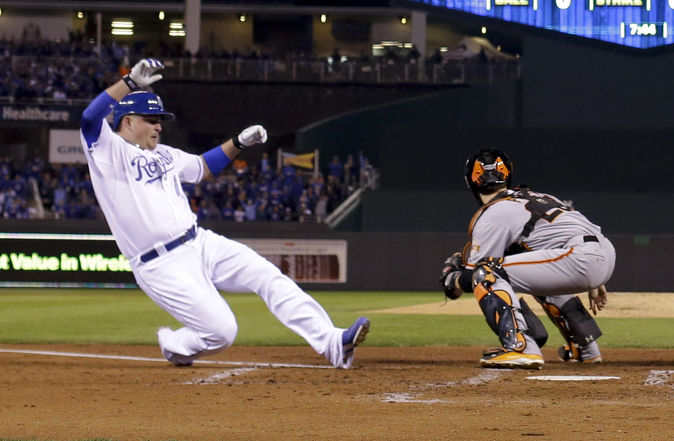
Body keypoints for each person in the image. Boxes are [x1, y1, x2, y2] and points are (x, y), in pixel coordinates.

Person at [79, 58, 370, 368]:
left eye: (160, 120)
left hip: (199, 242)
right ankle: (175, 344)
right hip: (160, 263)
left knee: (267, 274)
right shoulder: (108, 151)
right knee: (222, 332)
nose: (159, 126)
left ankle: (332, 342)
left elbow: (203, 167)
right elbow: (88, 118)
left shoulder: (165, 154)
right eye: (151, 119)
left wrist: (238, 143)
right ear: (127, 121)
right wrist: (129, 83)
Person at [440, 149, 615, 369]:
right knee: (536, 273)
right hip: (601, 251)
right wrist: (596, 278)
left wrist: (453, 279)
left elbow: (476, 275)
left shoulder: (493, 213)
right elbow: (569, 229)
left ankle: (521, 347)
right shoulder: (539, 197)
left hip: (578, 256)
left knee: (487, 272)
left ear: (470, 181)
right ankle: (586, 349)